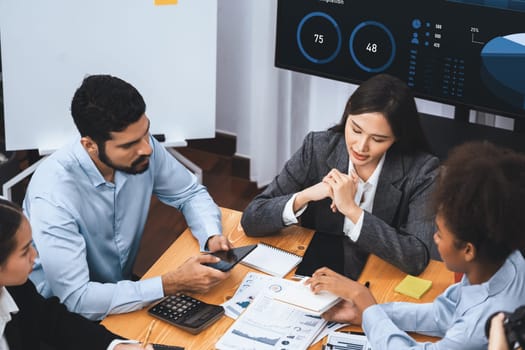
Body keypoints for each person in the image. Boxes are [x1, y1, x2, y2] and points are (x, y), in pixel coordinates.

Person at [23, 74, 232, 321]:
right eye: (129, 144)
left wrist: (211, 235)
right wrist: (169, 283)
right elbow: (78, 298)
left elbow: (189, 193)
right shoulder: (52, 197)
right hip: (61, 317)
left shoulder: (142, 148)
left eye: (146, 132)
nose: (147, 148)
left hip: (121, 289)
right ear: (90, 145)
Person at [306, 141, 525, 350]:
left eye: (439, 233)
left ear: (468, 250)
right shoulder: (503, 258)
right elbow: (445, 313)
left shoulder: (478, 327)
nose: (435, 239)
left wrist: (361, 296)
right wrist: (369, 312)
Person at [241, 73, 440, 279]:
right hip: (318, 271)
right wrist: (305, 196)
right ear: (348, 111)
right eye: (356, 129)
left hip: (382, 275)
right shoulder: (317, 148)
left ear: (397, 138)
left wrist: (352, 210)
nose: (361, 146)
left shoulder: (423, 172)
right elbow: (252, 219)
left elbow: (416, 257)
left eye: (378, 139)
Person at [0, 198, 154, 350]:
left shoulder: (16, 287)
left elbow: (53, 321)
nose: (35, 255)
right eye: (25, 251)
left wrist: (116, 346)